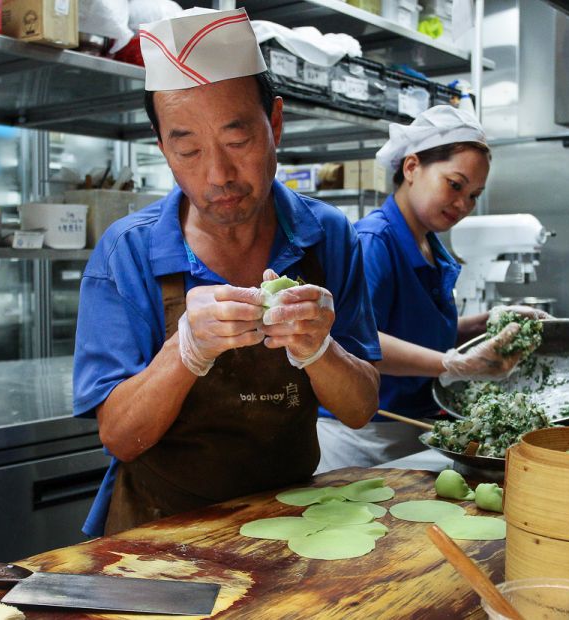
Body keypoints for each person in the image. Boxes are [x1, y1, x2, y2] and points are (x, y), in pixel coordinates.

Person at [73, 7, 381, 537]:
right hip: (157, 531)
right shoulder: (127, 252)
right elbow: (121, 438)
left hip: (294, 524)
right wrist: (185, 350)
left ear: (275, 124)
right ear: (164, 148)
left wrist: (318, 350)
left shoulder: (328, 236)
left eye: (238, 142)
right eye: (187, 149)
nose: (218, 174)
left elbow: (360, 409)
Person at [316, 105, 550, 472]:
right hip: (361, 438)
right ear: (411, 168)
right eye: (455, 185)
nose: (463, 205)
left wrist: (485, 321)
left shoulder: (430, 246)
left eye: (474, 195)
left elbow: (414, 331)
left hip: (412, 432)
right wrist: (452, 364)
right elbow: (355, 340)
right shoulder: (375, 241)